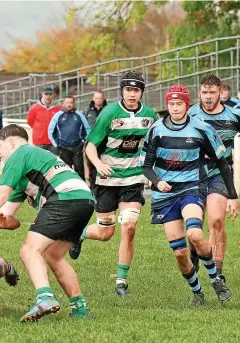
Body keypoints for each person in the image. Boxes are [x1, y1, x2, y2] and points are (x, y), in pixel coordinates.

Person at [0, 124, 94, 321]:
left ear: (11, 142)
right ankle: (79, 307)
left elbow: (0, 193)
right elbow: (9, 218)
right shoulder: (29, 168)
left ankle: (45, 298)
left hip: (65, 198)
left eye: (0, 147)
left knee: (28, 250)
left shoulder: (21, 153)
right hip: (84, 200)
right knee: (54, 256)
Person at [141, 85, 235, 305]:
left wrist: (232, 194)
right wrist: (157, 181)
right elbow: (146, 166)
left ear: (187, 105)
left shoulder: (201, 128)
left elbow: (221, 162)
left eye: (179, 104)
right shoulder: (156, 130)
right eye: (171, 104)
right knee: (180, 253)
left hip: (192, 188)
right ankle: (197, 292)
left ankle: (216, 280)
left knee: (194, 234)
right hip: (165, 196)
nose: (175, 108)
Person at [68, 71, 157, 296]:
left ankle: (121, 281)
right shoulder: (109, 113)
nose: (132, 94)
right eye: (128, 89)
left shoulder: (149, 115)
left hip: (134, 179)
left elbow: (155, 144)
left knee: (129, 226)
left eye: (136, 90)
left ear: (141, 93)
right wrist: (98, 164)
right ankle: (79, 234)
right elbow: (89, 145)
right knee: (105, 232)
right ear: (122, 91)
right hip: (108, 179)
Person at [188, 74, 240, 283]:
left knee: (216, 220)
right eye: (204, 92)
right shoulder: (191, 113)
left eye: (212, 92)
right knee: (195, 225)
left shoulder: (235, 115)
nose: (208, 96)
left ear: (220, 93)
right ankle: (195, 256)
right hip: (194, 174)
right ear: (199, 93)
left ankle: (217, 272)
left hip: (220, 173)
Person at [48, 96, 90, 179]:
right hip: (63, 148)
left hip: (77, 148)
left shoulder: (79, 115)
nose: (69, 104)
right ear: (64, 103)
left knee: (79, 171)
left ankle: (81, 188)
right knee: (66, 171)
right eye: (67, 102)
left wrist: (84, 140)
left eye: (71, 102)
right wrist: (57, 145)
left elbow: (87, 129)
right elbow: (51, 131)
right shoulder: (58, 115)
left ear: (74, 104)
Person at [83, 91, 108, 188]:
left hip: (105, 142)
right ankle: (93, 185)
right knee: (92, 163)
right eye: (96, 98)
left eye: (100, 98)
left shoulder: (107, 110)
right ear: (93, 99)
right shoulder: (87, 111)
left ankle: (104, 184)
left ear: (103, 98)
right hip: (91, 142)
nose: (98, 100)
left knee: (104, 162)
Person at [27, 87, 62, 154]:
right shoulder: (34, 108)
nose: (48, 96)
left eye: (50, 94)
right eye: (46, 94)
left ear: (53, 95)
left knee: (53, 161)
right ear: (42, 95)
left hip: (53, 141)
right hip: (39, 141)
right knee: (40, 161)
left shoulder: (58, 108)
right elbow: (30, 122)